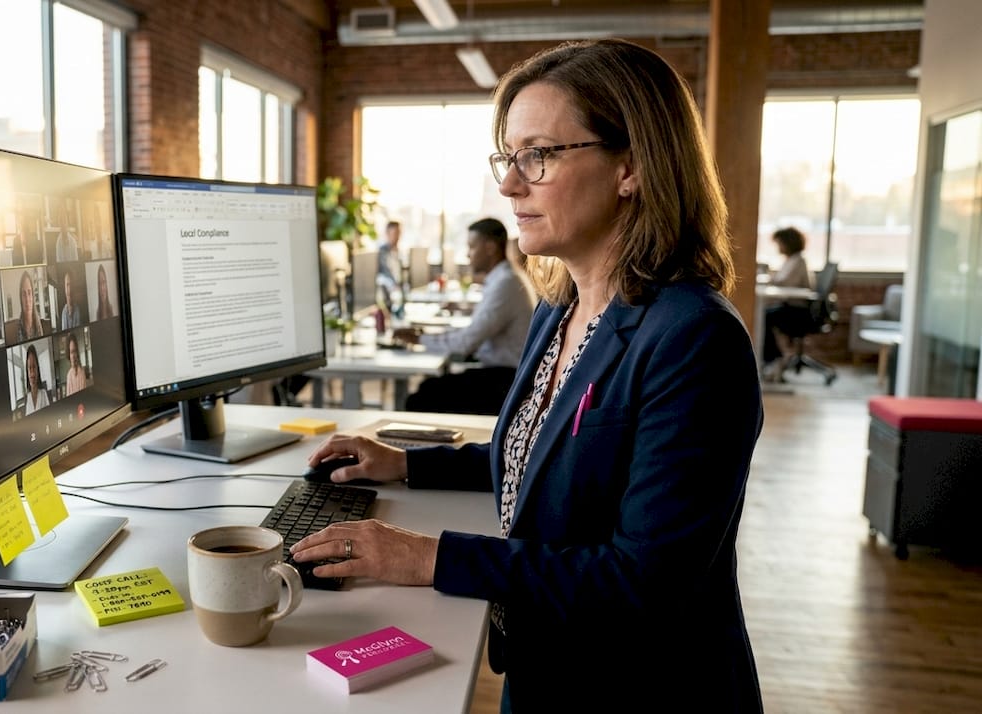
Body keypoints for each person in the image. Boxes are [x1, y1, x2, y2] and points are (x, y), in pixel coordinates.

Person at [289, 39, 763, 713]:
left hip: (639, 687)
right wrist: (406, 465)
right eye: (508, 158)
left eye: (537, 156)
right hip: (548, 667)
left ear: (630, 165)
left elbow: (644, 581)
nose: (510, 184)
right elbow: (543, 461)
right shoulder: (560, 308)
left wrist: (430, 558)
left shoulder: (693, 338)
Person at [393, 217, 536, 415]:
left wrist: (420, 338)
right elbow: (474, 331)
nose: (468, 255)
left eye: (471, 247)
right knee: (429, 387)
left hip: (504, 380)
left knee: (422, 397)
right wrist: (426, 334)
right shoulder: (503, 278)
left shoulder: (506, 283)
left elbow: (467, 342)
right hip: (503, 374)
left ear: (490, 247)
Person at [761, 226, 814, 382]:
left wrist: (768, 278)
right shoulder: (791, 260)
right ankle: (772, 359)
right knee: (764, 314)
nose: (779, 247)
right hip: (790, 307)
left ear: (788, 243)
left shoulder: (799, 261)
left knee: (764, 317)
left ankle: (774, 359)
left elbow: (784, 282)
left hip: (799, 311)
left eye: (780, 243)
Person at [16, 269, 47, 341]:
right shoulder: (19, 326)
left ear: (33, 296)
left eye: (29, 293)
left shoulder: (38, 322)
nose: (27, 299)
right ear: (20, 298)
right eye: (24, 294)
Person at [23, 343, 49, 415]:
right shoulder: (26, 399)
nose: (32, 373)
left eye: (34, 367)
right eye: (29, 368)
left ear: (38, 369)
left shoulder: (43, 394)